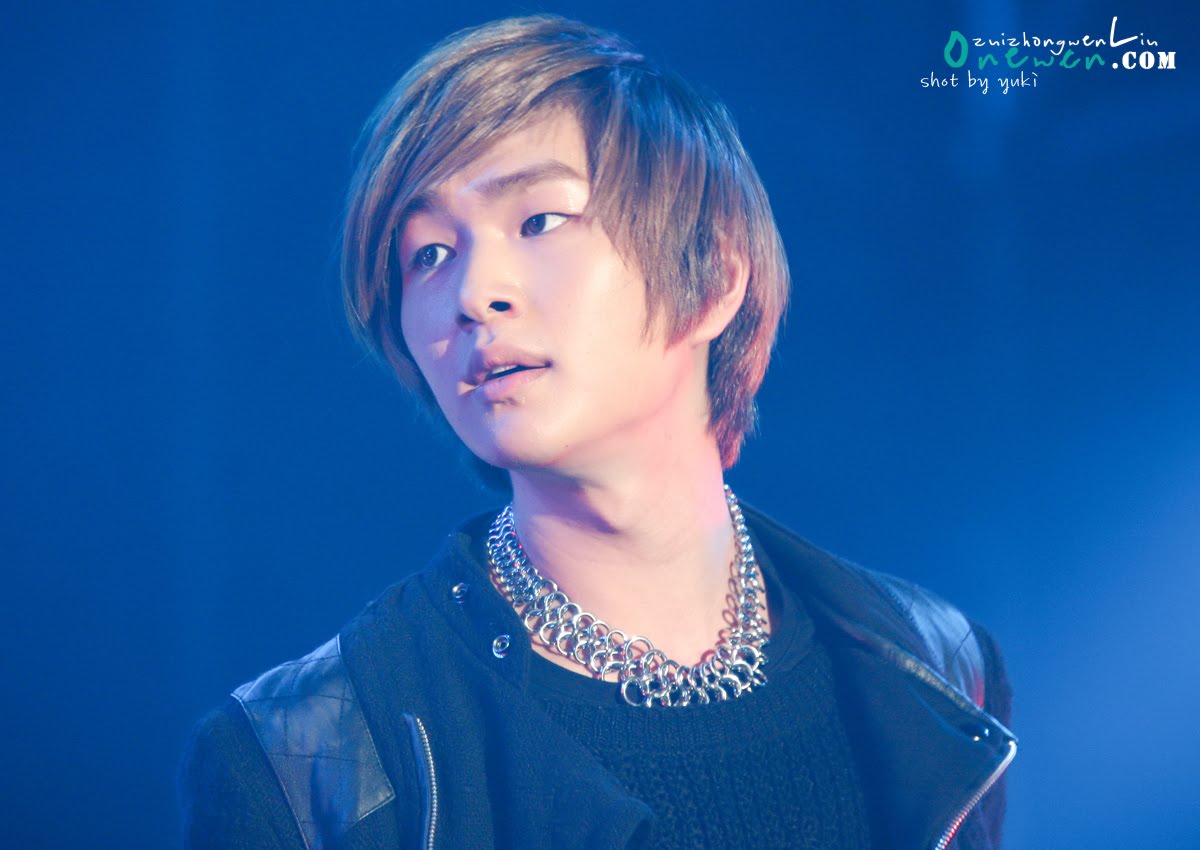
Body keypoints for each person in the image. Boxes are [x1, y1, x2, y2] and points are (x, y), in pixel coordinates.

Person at [180, 14, 1015, 850]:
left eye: (539, 221)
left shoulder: (933, 670)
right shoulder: (305, 760)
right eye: (428, 254)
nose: (473, 293)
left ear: (715, 277)